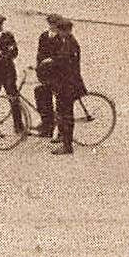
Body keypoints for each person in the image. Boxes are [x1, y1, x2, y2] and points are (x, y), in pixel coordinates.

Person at [38, 15, 86, 156]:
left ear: (66, 31)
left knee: (66, 115)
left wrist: (50, 61)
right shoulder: (65, 40)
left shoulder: (71, 44)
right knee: (62, 113)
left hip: (69, 85)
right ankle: (63, 139)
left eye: (60, 31)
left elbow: (63, 61)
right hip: (63, 84)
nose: (58, 33)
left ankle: (67, 146)